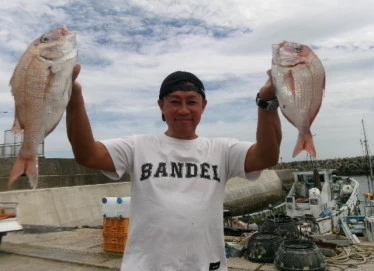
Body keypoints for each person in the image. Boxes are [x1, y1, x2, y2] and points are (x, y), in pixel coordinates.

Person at [67, 64, 281, 271]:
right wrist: (74, 96)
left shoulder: (222, 150)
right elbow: (88, 155)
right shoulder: (137, 147)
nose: (183, 110)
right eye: (175, 101)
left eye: (192, 102)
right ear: (161, 105)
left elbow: (266, 156)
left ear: (203, 106)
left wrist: (267, 101)